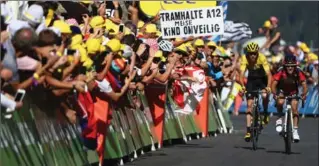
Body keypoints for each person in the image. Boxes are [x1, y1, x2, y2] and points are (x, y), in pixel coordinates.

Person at [239, 42, 272, 142]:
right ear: (248, 53)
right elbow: (241, 74)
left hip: (262, 79)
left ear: (257, 53)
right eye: (251, 53)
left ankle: (265, 113)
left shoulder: (262, 58)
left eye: (254, 53)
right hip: (251, 80)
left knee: (265, 95)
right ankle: (248, 131)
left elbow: (269, 74)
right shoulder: (244, 58)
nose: (253, 55)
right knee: (249, 106)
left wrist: (268, 86)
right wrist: (242, 86)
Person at [271, 55, 308, 142]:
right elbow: (273, 85)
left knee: (294, 108)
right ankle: (279, 118)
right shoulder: (281, 72)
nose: (290, 68)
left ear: (295, 66)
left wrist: (304, 94)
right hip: (282, 90)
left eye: (292, 66)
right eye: (288, 66)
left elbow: (304, 85)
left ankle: (295, 130)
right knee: (280, 102)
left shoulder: (298, 72)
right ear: (285, 66)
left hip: (293, 91)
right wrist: (274, 93)